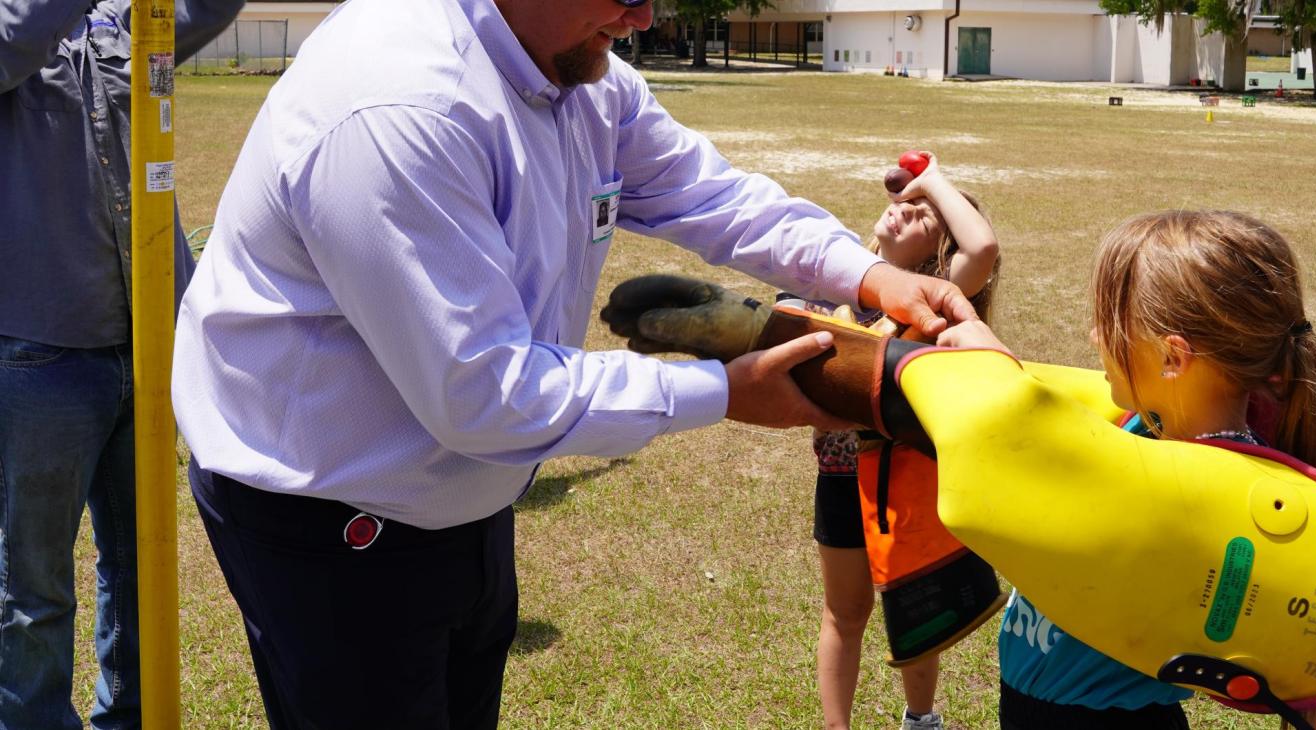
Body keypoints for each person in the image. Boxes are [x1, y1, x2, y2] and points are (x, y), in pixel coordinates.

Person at [168, 0, 978, 727]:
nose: (645, 18)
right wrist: (720, 391)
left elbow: (709, 194)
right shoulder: (396, 103)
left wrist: (869, 273)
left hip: (461, 494)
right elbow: (487, 394)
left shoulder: (575, 67)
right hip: (330, 514)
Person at [939, 210, 1316, 730]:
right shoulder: (1150, 432)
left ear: (1173, 357)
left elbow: (1051, 494)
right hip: (1037, 706)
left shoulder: (1201, 489)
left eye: (1108, 322)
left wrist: (991, 382)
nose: (1092, 335)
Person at [0, 2, 244, 729]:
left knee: (142, 565)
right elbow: (18, 36)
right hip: (41, 354)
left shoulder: (120, 24)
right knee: (33, 585)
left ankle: (131, 716)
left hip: (147, 347)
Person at [809, 153, 999, 730]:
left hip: (907, 481)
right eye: (901, 202)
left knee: (917, 611)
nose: (902, 209)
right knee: (844, 613)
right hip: (841, 481)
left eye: (921, 214)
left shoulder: (932, 299)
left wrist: (931, 179)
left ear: (938, 255)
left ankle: (920, 719)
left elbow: (983, 250)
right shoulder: (839, 286)